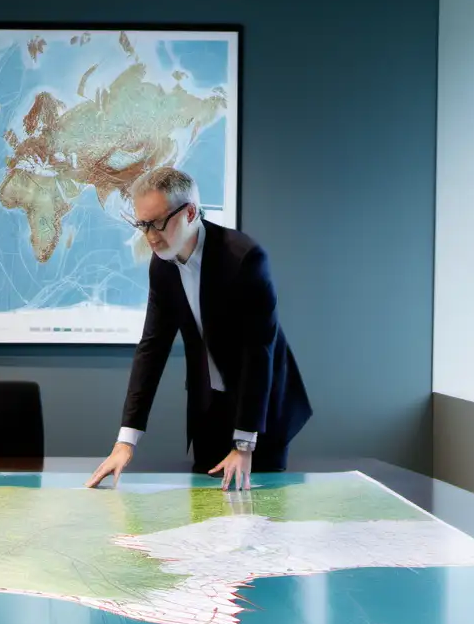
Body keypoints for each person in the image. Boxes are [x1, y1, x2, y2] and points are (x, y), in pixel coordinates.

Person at [86, 167, 311, 492]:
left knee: (259, 524)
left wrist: (245, 445)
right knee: (204, 518)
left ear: (190, 212)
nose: (150, 235)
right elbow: (152, 347)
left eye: (158, 222)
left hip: (261, 411)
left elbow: (259, 351)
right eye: (143, 224)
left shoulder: (244, 258)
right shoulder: (162, 263)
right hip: (209, 409)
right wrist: (126, 441)